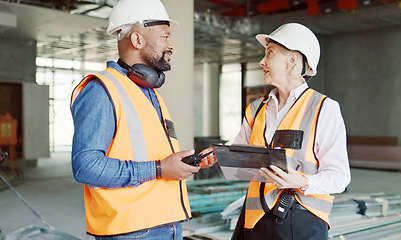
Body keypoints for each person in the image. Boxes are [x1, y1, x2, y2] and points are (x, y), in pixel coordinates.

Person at [70, 0, 216, 239]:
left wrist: (186, 164)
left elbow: (149, 155)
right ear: (137, 40)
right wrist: (159, 169)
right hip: (131, 231)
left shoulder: (150, 92)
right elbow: (86, 166)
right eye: (165, 36)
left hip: (168, 225)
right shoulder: (101, 90)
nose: (171, 45)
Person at [231, 23, 351, 240]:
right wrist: (213, 156)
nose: (262, 61)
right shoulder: (256, 109)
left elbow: (340, 177)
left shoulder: (323, 108)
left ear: (292, 61)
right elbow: (237, 157)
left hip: (302, 222)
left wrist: (303, 182)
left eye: (269, 53)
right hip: (255, 221)